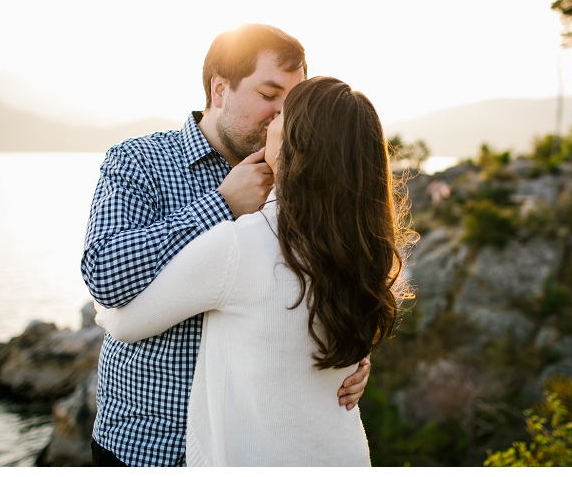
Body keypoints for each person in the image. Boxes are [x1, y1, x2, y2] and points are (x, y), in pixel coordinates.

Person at [82, 25, 371, 467]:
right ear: (220, 89)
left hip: (239, 450)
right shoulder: (139, 162)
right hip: (148, 448)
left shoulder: (298, 179)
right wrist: (219, 205)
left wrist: (351, 355)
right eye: (268, 94)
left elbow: (331, 274)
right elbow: (104, 274)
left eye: (289, 104)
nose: (279, 116)